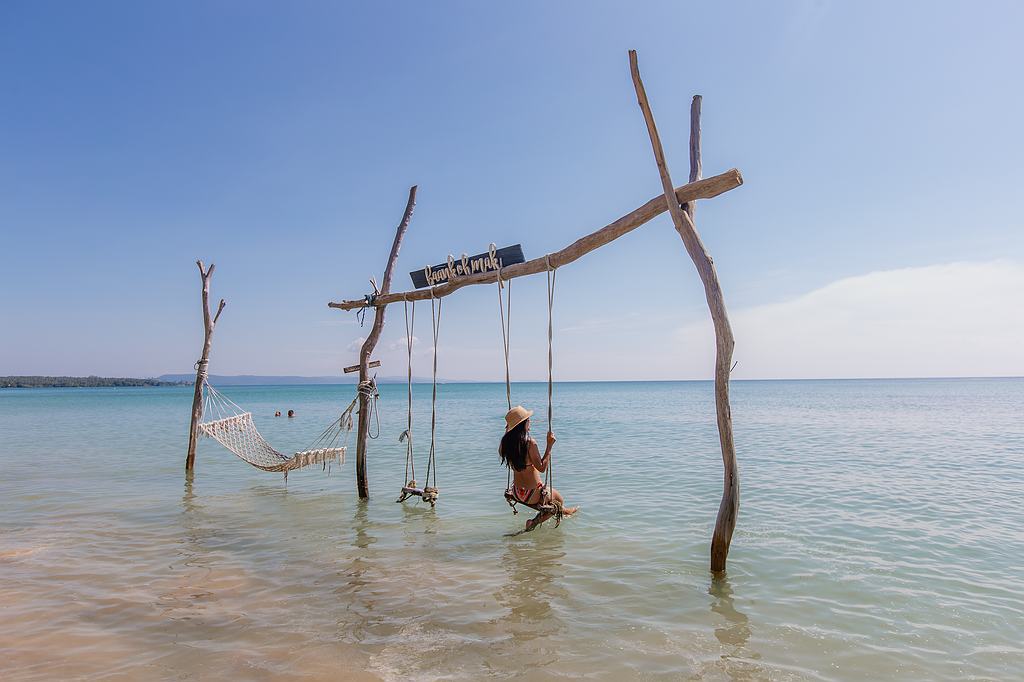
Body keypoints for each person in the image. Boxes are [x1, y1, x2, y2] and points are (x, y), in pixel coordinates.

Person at [499, 405, 577, 531]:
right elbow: (542, 468)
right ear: (523, 424)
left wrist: (508, 431)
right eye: (528, 420)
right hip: (533, 494)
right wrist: (549, 446)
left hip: (517, 492)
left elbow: (501, 450)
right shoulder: (530, 443)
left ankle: (567, 512)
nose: (530, 422)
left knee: (558, 503)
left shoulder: (505, 443)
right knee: (558, 502)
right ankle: (533, 523)